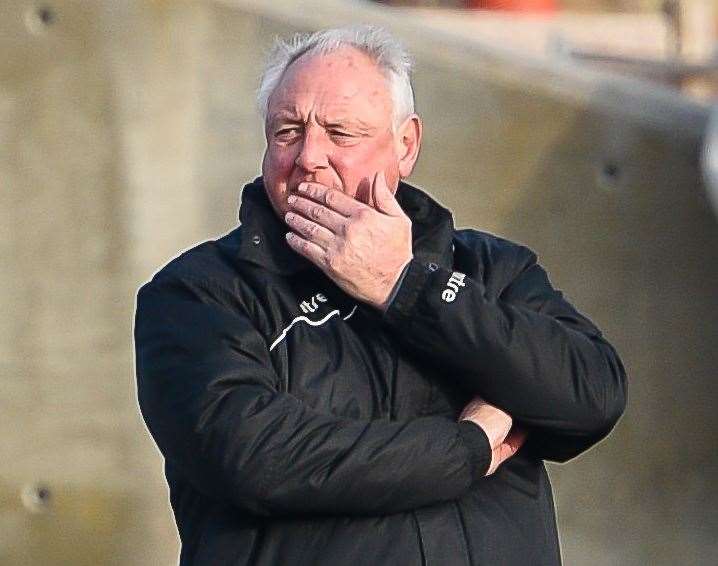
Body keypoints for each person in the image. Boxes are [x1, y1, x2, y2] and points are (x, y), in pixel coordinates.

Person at [134, 25, 627, 566]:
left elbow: (591, 394)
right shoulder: (197, 295)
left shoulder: (493, 271)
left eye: (340, 133)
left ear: (406, 144)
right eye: (287, 131)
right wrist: (468, 447)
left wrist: (408, 287)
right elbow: (256, 457)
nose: (309, 157)